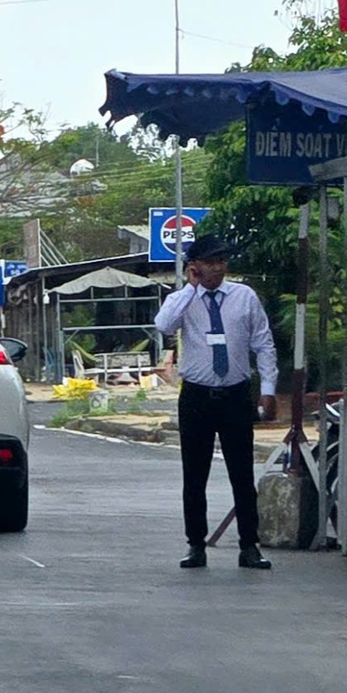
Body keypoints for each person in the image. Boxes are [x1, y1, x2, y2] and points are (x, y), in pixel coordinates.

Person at [154, 233, 279, 571]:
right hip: (196, 396)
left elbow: (263, 343)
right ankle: (196, 544)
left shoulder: (244, 297)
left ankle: (249, 546)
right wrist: (191, 288)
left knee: (241, 473)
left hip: (235, 394)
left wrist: (267, 387)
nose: (218, 268)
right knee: (194, 475)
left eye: (222, 261)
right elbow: (163, 325)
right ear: (195, 267)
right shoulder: (183, 299)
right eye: (210, 262)